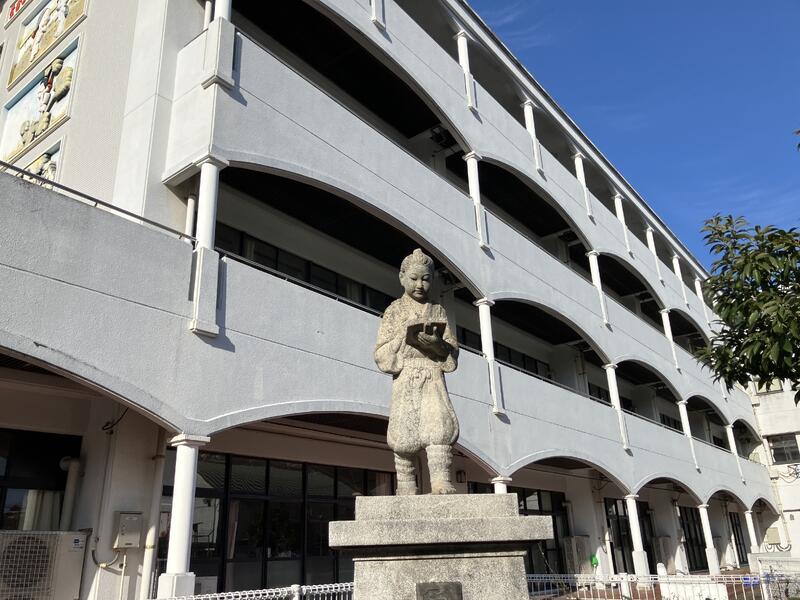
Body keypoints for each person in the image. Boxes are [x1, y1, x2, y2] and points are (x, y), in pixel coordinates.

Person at [374, 248, 459, 495]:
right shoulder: (394, 310)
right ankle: (406, 484)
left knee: (438, 426)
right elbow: (380, 353)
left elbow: (452, 351)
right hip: (406, 375)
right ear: (402, 277)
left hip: (432, 375)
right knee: (404, 434)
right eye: (414, 278)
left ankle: (441, 480)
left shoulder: (438, 310)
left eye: (426, 279)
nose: (420, 285)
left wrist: (437, 344)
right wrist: (402, 335)